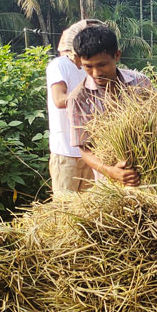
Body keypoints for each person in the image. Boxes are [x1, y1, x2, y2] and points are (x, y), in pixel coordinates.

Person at [67, 25, 152, 187]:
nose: (96, 73)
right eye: (88, 66)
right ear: (79, 61)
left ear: (117, 55)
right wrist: (111, 171)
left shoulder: (141, 82)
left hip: (153, 174)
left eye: (102, 65)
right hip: (111, 184)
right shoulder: (79, 99)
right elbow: (85, 148)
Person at [46, 19, 100, 195]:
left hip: (90, 152)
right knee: (66, 211)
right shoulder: (59, 65)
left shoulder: (89, 68)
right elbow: (59, 100)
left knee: (90, 208)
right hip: (65, 152)